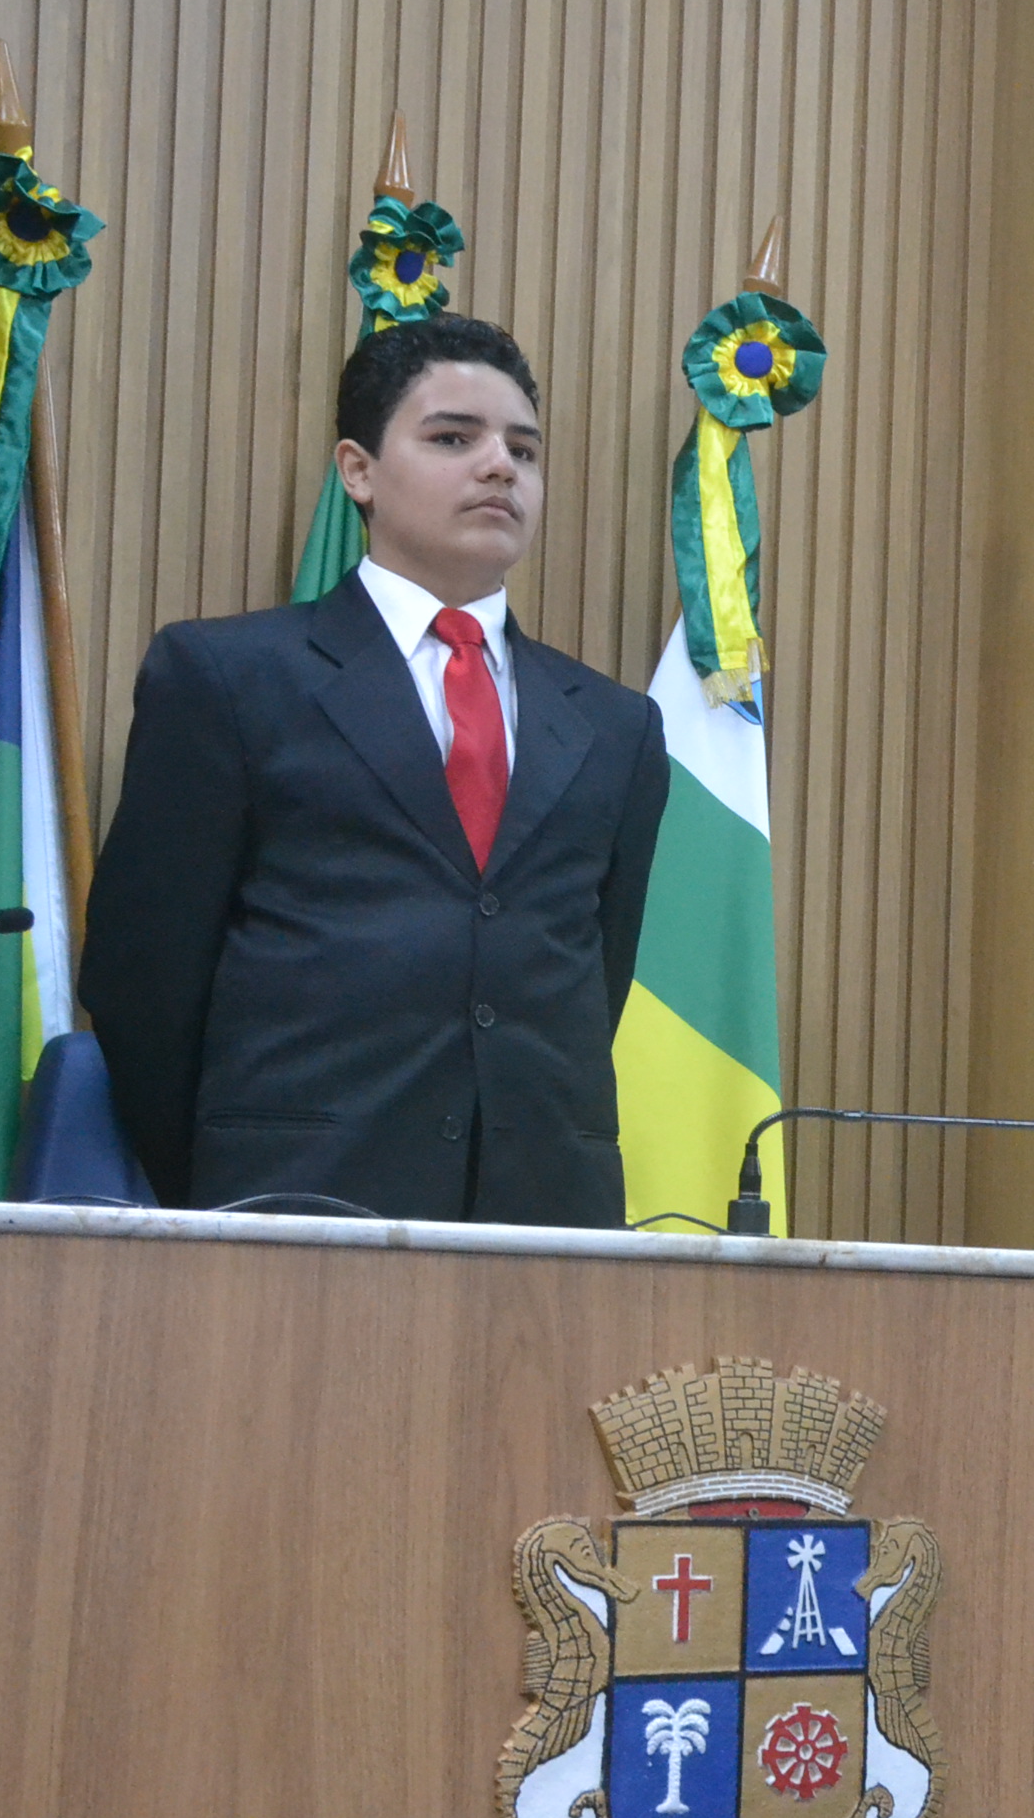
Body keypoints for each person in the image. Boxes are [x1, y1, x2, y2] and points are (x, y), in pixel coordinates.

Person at [81, 316, 669, 1225]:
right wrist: (224, 1173)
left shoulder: (615, 725)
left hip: (547, 1214)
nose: (500, 467)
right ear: (358, 471)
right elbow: (144, 977)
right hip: (295, 1200)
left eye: (524, 450)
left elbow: (601, 973)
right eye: (453, 439)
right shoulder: (230, 677)